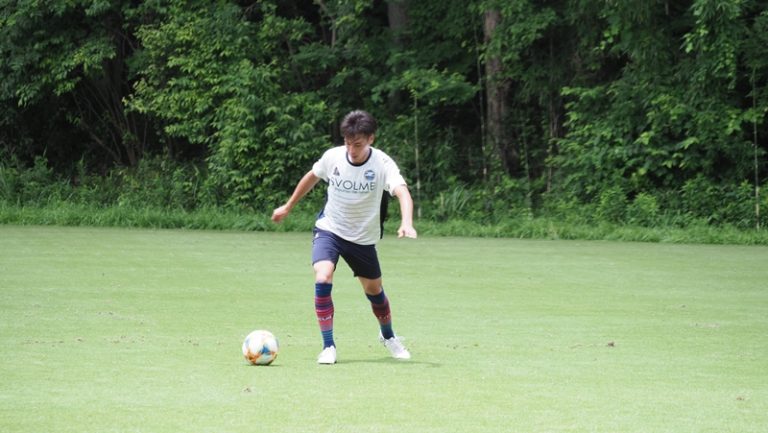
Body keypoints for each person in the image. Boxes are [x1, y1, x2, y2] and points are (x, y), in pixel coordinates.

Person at [271, 110, 417, 364]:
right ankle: (328, 346)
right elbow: (312, 176)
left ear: (371, 139)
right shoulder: (333, 157)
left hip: (363, 238)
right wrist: (288, 206)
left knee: (374, 290)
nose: (352, 150)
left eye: (357, 144)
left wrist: (407, 222)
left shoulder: (382, 164)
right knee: (323, 276)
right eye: (348, 143)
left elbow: (402, 193)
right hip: (330, 229)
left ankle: (388, 336)